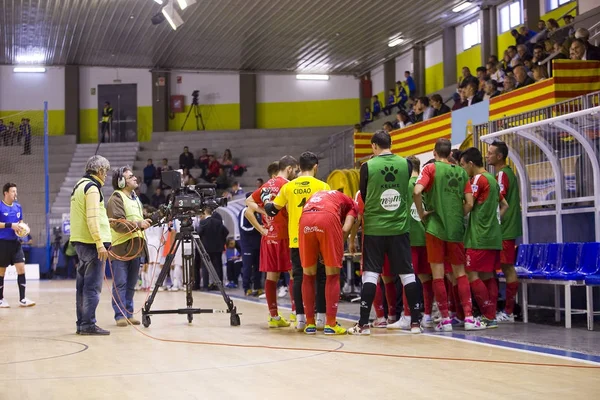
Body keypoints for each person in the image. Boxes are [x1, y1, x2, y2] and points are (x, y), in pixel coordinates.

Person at [347, 131, 423, 335]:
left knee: (371, 274)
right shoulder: (406, 164)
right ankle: (415, 323)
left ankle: (363, 325)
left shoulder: (367, 167)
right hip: (399, 227)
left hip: (375, 228)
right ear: (391, 143)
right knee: (407, 275)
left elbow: (363, 193)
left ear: (374, 146)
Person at [413, 138, 485, 331]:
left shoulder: (430, 169)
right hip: (455, 229)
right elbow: (469, 203)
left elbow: (417, 191)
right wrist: (454, 213)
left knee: (437, 275)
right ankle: (469, 318)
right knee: (460, 273)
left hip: (435, 228)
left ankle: (445, 320)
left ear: (434, 153)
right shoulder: (461, 172)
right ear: (451, 155)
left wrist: (422, 213)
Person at [265, 152, 330, 331]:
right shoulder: (323, 185)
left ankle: (301, 318)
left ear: (299, 168)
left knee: (300, 277)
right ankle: (321, 319)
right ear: (315, 167)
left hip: (296, 238)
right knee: (320, 277)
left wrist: (265, 204)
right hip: (317, 237)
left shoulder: (289, 187)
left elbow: (273, 209)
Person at [460, 148, 509, 329]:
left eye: (463, 165)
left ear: (471, 164)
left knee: (471, 274)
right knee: (488, 275)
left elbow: (469, 205)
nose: (463, 169)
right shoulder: (492, 180)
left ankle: (488, 316)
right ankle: (491, 316)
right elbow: (505, 205)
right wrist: (493, 222)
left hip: (479, 236)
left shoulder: (478, 180)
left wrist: (455, 217)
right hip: (492, 236)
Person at [246, 156, 298, 327]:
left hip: (269, 237)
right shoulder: (288, 185)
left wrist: (263, 220)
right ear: (289, 169)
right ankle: (295, 312)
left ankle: (274, 317)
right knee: (293, 274)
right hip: (286, 235)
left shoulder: (266, 186)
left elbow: (248, 204)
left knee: (271, 277)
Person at [299, 190, 357, 335]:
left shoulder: (319, 195)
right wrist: (335, 247)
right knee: (332, 274)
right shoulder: (352, 204)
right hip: (327, 219)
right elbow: (345, 230)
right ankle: (330, 324)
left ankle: (310, 324)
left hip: (305, 218)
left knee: (308, 274)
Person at [69, 155, 112, 335]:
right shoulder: (93, 188)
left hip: (81, 242)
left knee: (82, 287)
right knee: (92, 287)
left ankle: (82, 323)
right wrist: (100, 243)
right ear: (100, 171)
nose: (107, 176)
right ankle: (88, 324)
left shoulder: (79, 185)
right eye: (106, 172)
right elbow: (92, 218)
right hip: (92, 244)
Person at [106, 166, 152, 327]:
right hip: (121, 247)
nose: (135, 178)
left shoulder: (135, 198)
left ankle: (128, 312)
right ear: (120, 182)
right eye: (130, 176)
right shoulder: (116, 198)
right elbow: (118, 223)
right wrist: (139, 224)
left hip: (136, 247)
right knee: (120, 283)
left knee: (132, 283)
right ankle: (120, 314)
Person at [486, 141, 522, 323]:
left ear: (499, 156)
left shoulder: (502, 175)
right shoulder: (508, 173)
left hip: (504, 228)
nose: (487, 155)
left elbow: (497, 200)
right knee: (501, 267)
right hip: (506, 228)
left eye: (491, 153)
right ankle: (501, 309)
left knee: (507, 267)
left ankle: (508, 312)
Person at [0, 183, 36, 308]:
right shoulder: (0, 206)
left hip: (16, 243)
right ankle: (0, 299)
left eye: (16, 191)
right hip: (2, 243)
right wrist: (10, 225)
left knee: (21, 268)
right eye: (13, 191)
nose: (15, 194)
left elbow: (20, 223)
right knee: (1, 271)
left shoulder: (18, 207)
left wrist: (23, 229)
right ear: (6, 193)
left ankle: (23, 298)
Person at [197, 208, 229, 290]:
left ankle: (205, 285)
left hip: (206, 248)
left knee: (205, 267)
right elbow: (226, 232)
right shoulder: (218, 222)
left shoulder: (203, 222)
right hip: (217, 248)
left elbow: (198, 233)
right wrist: (220, 240)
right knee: (218, 266)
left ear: (204, 212)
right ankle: (219, 285)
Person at [238, 197, 263, 296]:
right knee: (247, 267)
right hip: (247, 245)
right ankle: (246, 288)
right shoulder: (244, 211)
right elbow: (243, 227)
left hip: (258, 244)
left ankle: (257, 287)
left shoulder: (258, 212)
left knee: (258, 267)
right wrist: (257, 227)